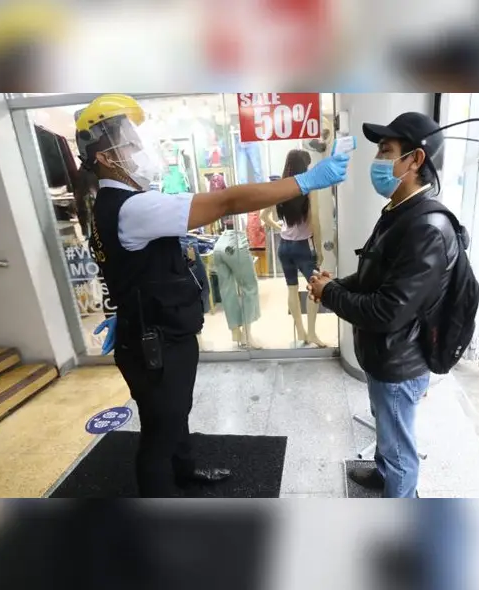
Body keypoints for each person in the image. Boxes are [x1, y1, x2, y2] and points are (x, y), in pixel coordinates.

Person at [77, 94, 350, 497]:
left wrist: (130, 307)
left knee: (173, 416)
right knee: (159, 432)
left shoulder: (113, 204)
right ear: (106, 157)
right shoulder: (133, 207)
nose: (140, 150)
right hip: (156, 343)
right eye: (130, 142)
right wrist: (303, 182)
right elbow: (227, 201)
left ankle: (185, 472)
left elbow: (123, 265)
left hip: (154, 332)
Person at [307, 112, 460, 498]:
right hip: (385, 356)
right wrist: (334, 285)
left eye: (386, 151)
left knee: (398, 447)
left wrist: (330, 294)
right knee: (385, 428)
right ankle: (381, 472)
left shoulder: (426, 228)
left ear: (415, 160)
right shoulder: (399, 211)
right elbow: (375, 276)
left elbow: (387, 310)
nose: (378, 160)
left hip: (400, 362)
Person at [264, 149, 328, 347]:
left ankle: (300, 332)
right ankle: (312, 334)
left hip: (284, 247)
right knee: (314, 289)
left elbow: (264, 217)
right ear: (304, 167)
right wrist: (319, 249)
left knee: (292, 289)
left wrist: (281, 228)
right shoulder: (309, 187)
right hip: (303, 247)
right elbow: (315, 221)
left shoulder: (279, 188)